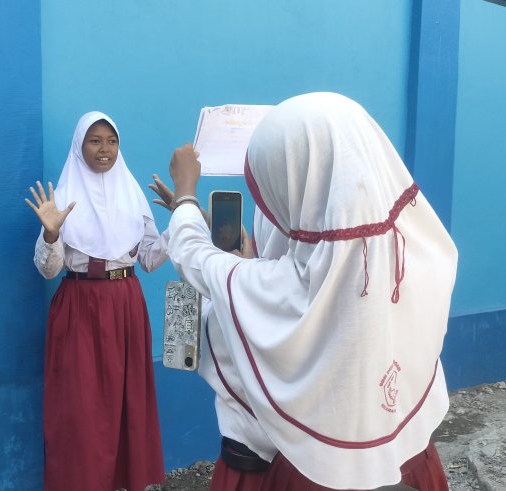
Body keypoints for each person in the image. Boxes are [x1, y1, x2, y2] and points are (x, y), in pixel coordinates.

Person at [161, 92, 458, 490]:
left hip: (304, 475)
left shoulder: (280, 290)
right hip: (410, 458)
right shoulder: (423, 254)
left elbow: (195, 259)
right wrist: (249, 263)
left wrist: (185, 195)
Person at [25, 111, 166, 491]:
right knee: (80, 405)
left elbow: (149, 260)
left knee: (128, 401)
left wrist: (181, 223)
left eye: (111, 141)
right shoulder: (62, 200)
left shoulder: (132, 195)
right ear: (79, 146)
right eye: (94, 141)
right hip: (80, 307)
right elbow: (49, 270)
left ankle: (125, 481)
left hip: (126, 304)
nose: (105, 149)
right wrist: (50, 234)